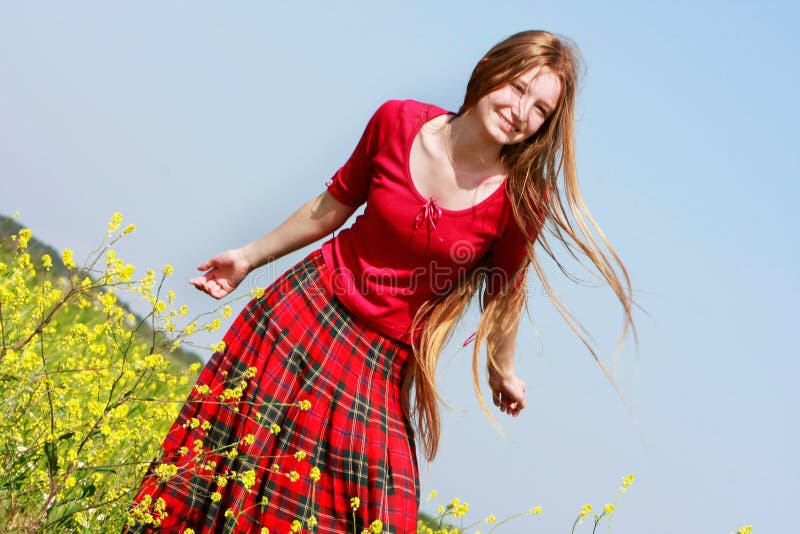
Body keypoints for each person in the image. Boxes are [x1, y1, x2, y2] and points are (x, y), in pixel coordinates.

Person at [124, 30, 635, 533]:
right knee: (227, 473)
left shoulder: (523, 200)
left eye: (541, 109)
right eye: (518, 88)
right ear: (489, 72)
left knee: (380, 510)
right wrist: (247, 258)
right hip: (301, 315)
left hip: (381, 359)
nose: (522, 111)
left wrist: (502, 371)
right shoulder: (398, 121)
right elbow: (330, 207)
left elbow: (504, 291)